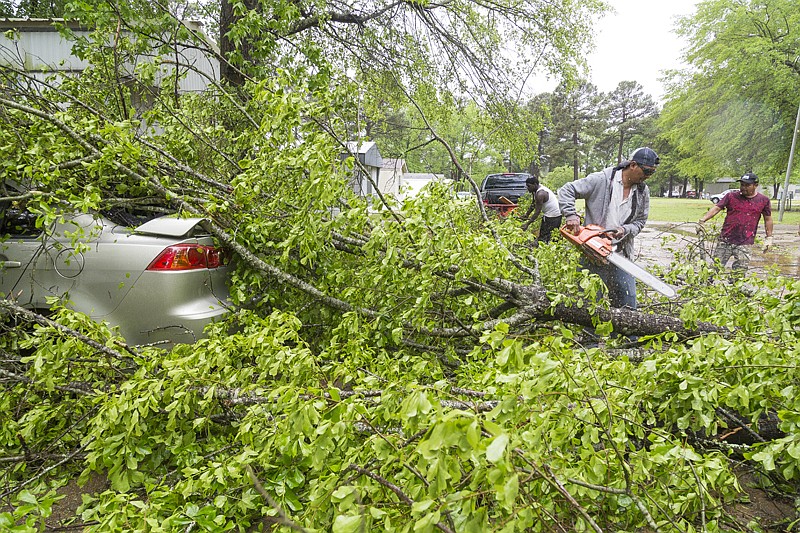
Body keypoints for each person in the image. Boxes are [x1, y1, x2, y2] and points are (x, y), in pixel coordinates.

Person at [558, 147, 659, 309]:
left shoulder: (642, 191)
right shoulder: (601, 180)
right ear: (633, 165)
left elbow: (640, 222)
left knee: (628, 302)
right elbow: (567, 190)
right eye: (646, 171)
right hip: (592, 251)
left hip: (621, 253)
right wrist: (570, 215)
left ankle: (626, 335)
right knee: (589, 304)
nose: (647, 177)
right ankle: (588, 335)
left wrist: (624, 230)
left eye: (651, 173)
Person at [698, 172, 773, 270]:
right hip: (726, 239)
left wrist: (769, 237)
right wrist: (703, 220)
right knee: (714, 268)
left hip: (745, 241)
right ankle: (708, 283)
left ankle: (733, 283)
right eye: (742, 185)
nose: (744, 188)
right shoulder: (731, 196)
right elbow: (717, 208)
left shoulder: (763, 200)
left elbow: (768, 219)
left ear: (755, 185)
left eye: (747, 185)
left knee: (739, 271)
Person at [520, 175, 562, 243]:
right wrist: (527, 214)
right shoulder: (535, 190)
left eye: (529, 186)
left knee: (546, 238)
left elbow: (537, 212)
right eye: (527, 186)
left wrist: (527, 224)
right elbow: (533, 204)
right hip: (552, 215)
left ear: (535, 184)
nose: (527, 188)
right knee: (546, 236)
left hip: (553, 216)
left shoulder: (540, 194)